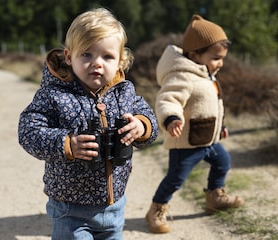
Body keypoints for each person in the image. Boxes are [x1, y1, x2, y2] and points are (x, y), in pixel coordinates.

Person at [18, 8, 158, 240]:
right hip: (70, 208)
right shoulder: (54, 94)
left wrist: (142, 127)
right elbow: (28, 131)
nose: (97, 63)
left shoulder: (124, 92)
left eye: (107, 56)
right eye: (87, 55)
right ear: (69, 56)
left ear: (120, 60)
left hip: (115, 204)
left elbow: (147, 116)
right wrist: (66, 144)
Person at [145, 15, 244, 234]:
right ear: (194, 54)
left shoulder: (206, 74)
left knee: (223, 162)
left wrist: (222, 127)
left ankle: (214, 197)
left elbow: (213, 106)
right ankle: (156, 210)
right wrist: (172, 118)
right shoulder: (182, 75)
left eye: (222, 57)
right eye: (216, 57)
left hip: (208, 138)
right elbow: (168, 99)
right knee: (175, 179)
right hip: (186, 142)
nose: (221, 63)